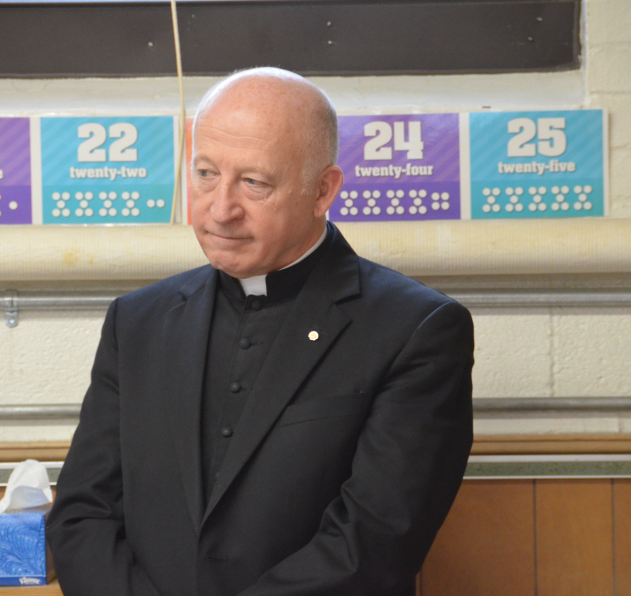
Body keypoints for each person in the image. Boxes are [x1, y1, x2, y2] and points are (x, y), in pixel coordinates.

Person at [47, 67, 474, 596]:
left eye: (254, 183)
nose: (220, 209)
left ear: (322, 191)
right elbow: (82, 515)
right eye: (205, 173)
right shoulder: (137, 322)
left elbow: (375, 543)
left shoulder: (417, 330)